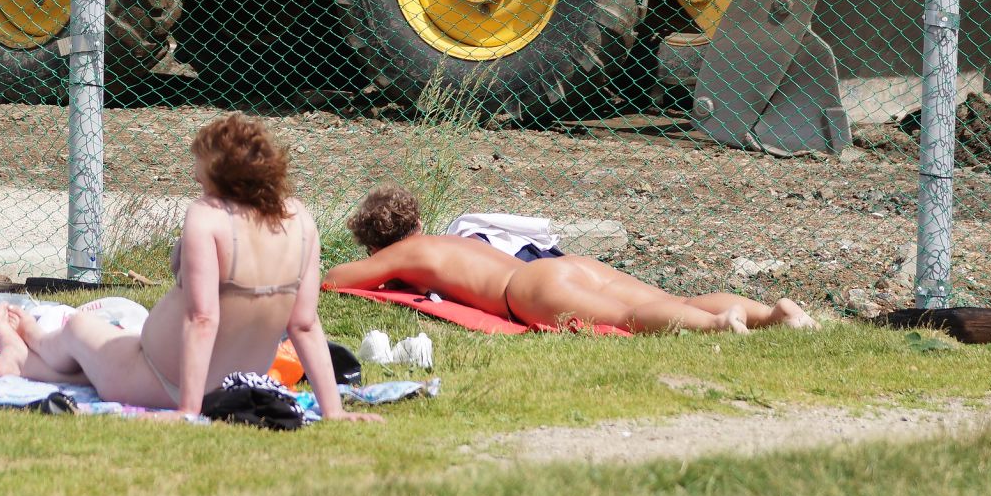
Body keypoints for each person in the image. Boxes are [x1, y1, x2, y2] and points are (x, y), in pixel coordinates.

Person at [0, 114, 382, 421]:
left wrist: (187, 411)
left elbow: (203, 319)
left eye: (200, 177)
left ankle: (30, 340)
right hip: (229, 386)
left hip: (165, 379)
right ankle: (19, 362)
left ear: (217, 178)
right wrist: (333, 410)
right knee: (100, 358)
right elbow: (305, 324)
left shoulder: (207, 216)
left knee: (78, 327)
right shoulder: (300, 219)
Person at [323, 187, 817, 335]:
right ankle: (775, 313)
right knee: (671, 299)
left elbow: (335, 279)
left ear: (378, 244)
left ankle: (717, 324)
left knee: (626, 321)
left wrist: (376, 267)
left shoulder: (404, 254)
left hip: (528, 290)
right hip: (564, 264)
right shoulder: (451, 240)